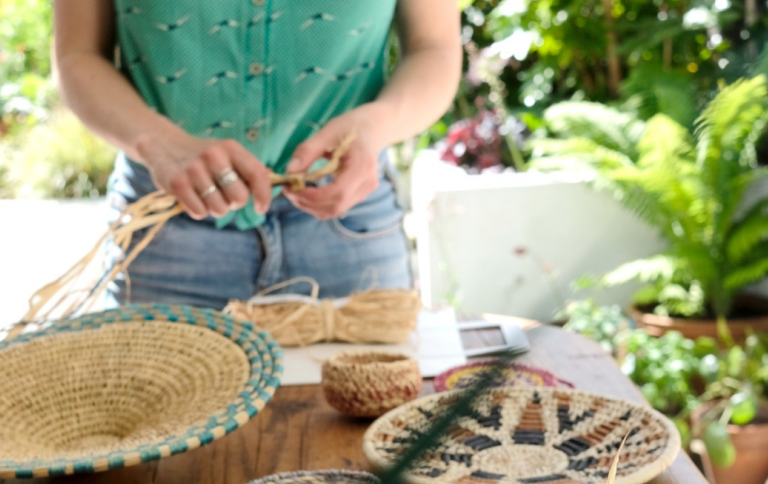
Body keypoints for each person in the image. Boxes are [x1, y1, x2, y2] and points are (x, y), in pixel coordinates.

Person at [52, 0, 462, 308]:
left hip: (348, 227)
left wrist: (375, 125)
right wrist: (156, 142)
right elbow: (78, 53)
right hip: (165, 231)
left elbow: (434, 47)